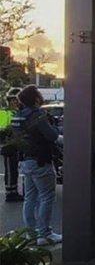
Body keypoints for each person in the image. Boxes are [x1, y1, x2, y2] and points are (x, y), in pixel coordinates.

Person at [11, 85, 64, 246]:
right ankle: (44, 233)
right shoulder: (38, 116)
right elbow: (52, 135)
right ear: (35, 99)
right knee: (46, 196)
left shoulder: (18, 116)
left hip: (26, 160)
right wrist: (55, 128)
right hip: (41, 160)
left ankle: (31, 233)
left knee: (30, 198)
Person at [1, 88, 22, 202]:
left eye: (16, 100)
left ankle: (14, 191)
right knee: (10, 170)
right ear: (9, 101)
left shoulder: (17, 112)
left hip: (16, 145)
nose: (15, 102)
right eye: (12, 100)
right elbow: (2, 130)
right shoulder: (4, 112)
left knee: (14, 170)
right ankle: (10, 193)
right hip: (8, 146)